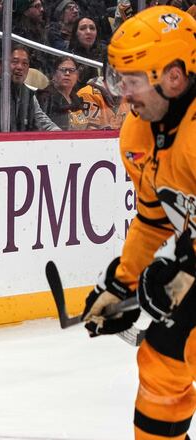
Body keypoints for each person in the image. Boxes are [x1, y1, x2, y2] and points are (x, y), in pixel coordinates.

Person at [77, 6, 196, 439]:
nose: (123, 94)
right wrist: (123, 283)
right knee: (163, 358)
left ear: (174, 77)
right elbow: (153, 218)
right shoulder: (140, 131)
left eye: (133, 81)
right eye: (119, 80)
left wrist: (180, 274)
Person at [0, 45, 60, 132]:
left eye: (25, 63)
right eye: (14, 62)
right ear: (0, 67)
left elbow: (45, 124)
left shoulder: (28, 94)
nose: (20, 67)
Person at [36, 56, 88, 130]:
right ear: (54, 75)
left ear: (77, 76)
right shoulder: (46, 97)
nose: (67, 73)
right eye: (63, 70)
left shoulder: (76, 99)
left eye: (71, 70)